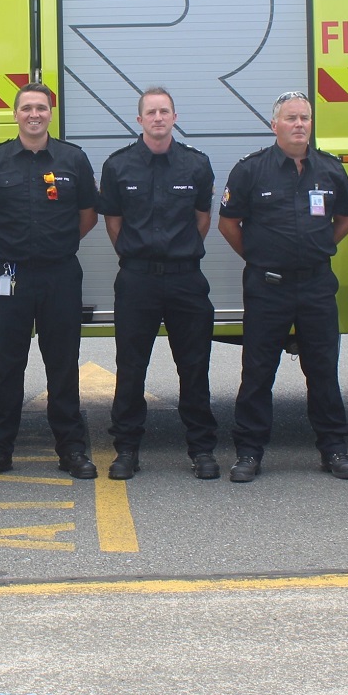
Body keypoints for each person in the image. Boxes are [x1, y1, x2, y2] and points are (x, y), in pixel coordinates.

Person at [218, 89, 348, 482]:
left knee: (324, 371)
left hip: (315, 285)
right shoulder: (251, 171)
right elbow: (228, 224)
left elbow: (346, 217)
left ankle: (333, 449)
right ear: (273, 124)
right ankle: (248, 453)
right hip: (268, 287)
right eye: (291, 118)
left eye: (305, 118)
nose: (299, 124)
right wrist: (260, 259)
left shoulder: (329, 170)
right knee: (259, 371)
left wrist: (322, 246)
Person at [0, 82, 100, 480]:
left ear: (50, 113)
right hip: (9, 274)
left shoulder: (73, 159)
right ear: (15, 114)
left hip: (59, 274)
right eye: (26, 108)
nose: (34, 114)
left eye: (41, 108)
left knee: (62, 365)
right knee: (7, 365)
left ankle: (72, 450)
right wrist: (12, 247)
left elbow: (88, 214)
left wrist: (56, 246)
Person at [97, 87, 219, 480]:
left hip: (186, 280)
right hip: (137, 281)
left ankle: (201, 449)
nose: (158, 118)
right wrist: (138, 257)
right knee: (131, 367)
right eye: (151, 112)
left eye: (164, 111)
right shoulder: (118, 166)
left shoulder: (196, 165)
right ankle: (127, 450)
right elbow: (113, 222)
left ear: (174, 117)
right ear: (139, 120)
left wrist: (180, 252)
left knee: (194, 366)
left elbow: (203, 217)